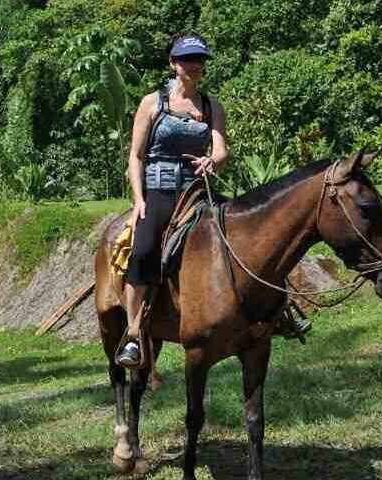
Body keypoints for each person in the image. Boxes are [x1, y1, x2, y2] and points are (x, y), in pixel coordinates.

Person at [117, 34, 230, 367]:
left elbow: (221, 150)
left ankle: (278, 311)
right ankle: (133, 335)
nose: (195, 65)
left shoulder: (212, 106)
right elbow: (136, 156)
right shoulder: (152, 103)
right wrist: (139, 199)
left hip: (197, 190)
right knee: (142, 250)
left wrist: (212, 160)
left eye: (200, 60)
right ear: (173, 64)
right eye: (187, 59)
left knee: (246, 230)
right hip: (159, 189)